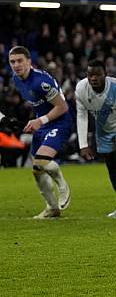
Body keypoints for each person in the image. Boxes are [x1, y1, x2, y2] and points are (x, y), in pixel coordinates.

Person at [8, 46, 73, 219]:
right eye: (12, 62)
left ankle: (62, 184)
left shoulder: (40, 82)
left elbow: (62, 106)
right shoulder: (17, 79)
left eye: (20, 60)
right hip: (43, 121)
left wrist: (40, 120)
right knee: (36, 169)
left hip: (60, 120)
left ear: (29, 62)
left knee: (42, 161)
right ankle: (52, 208)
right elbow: (39, 104)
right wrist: (33, 120)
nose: (16, 65)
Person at [75, 59, 116, 218]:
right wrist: (83, 145)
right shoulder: (81, 89)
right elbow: (82, 116)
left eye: (97, 74)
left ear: (105, 74)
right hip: (103, 131)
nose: (93, 78)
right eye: (90, 75)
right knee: (111, 168)